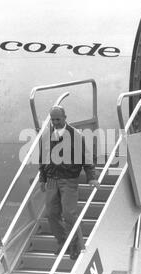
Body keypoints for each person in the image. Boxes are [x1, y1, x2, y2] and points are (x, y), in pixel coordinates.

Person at [39, 105, 100, 260]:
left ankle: (76, 247)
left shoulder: (76, 135)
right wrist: (42, 179)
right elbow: (43, 159)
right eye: (52, 120)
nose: (55, 122)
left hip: (69, 180)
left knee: (69, 214)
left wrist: (91, 177)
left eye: (58, 119)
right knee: (52, 213)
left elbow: (86, 157)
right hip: (52, 180)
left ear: (65, 117)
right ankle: (62, 241)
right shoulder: (47, 135)